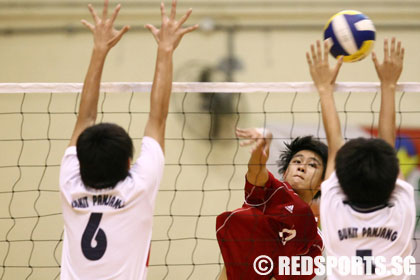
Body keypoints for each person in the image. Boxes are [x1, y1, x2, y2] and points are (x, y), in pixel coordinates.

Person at [59, 0, 197, 279]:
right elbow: (157, 117)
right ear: (128, 163)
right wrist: (165, 50)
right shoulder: (138, 187)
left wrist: (99, 49)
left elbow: (84, 118)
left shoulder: (69, 183)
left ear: (81, 162)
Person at [307, 38, 415, 279]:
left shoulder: (332, 206)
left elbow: (334, 145)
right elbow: (343, 146)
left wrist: (324, 88)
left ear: (342, 183)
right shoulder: (402, 207)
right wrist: (388, 85)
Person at [216, 128, 327, 279]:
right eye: (297, 161)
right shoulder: (271, 192)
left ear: (323, 183)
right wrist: (262, 145)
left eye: (312, 165)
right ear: (285, 172)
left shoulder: (316, 240)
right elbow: (256, 170)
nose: (301, 167)